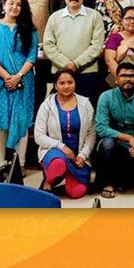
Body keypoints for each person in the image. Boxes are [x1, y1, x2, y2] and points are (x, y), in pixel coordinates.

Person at [0, 0, 38, 170]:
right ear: (3, 5)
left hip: (23, 79)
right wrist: (7, 77)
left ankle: (19, 166)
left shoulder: (30, 29)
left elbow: (32, 56)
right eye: (11, 3)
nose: (15, 7)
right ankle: (0, 164)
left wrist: (18, 76)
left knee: (21, 120)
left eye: (19, 5)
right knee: (0, 122)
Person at [94, 62, 134, 198]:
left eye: (131, 76)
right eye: (123, 76)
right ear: (116, 79)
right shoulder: (106, 97)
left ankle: (121, 178)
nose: (128, 79)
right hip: (112, 144)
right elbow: (101, 128)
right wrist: (128, 138)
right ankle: (108, 183)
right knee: (108, 144)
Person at [34, 68, 96, 199]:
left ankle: (69, 174)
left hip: (78, 156)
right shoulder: (47, 105)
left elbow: (91, 134)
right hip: (55, 152)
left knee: (76, 193)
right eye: (62, 83)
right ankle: (50, 180)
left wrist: (83, 155)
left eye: (70, 82)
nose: (66, 86)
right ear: (55, 85)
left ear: (75, 83)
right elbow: (38, 136)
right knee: (58, 164)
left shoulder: (85, 104)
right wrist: (62, 147)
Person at [43, 0, 106, 101]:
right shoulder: (54, 17)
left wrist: (76, 63)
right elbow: (48, 46)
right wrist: (66, 64)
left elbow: (97, 46)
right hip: (60, 73)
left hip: (87, 73)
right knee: (60, 108)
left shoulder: (94, 16)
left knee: (86, 109)